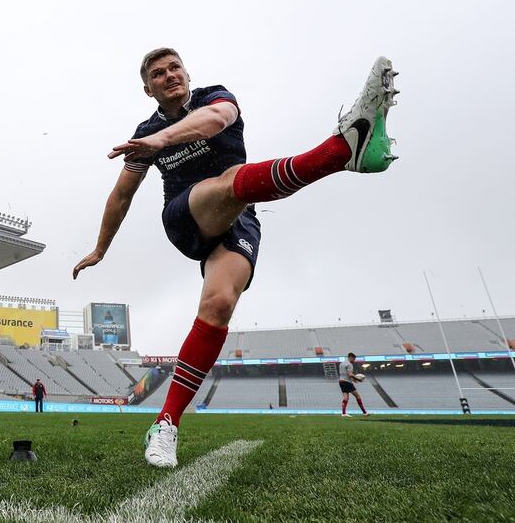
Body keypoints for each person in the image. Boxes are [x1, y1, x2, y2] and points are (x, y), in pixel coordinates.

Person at [72, 48, 398, 468]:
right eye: (158, 73)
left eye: (175, 68)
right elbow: (121, 195)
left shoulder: (215, 97)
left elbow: (217, 120)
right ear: (147, 88)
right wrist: (100, 249)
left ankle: (165, 423)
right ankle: (339, 153)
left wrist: (164, 139)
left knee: (220, 304)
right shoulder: (145, 131)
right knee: (225, 183)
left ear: (187, 73)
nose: (169, 75)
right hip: (186, 218)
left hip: (240, 221)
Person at [339, 352, 369, 417]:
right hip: (347, 382)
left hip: (341, 381)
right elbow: (350, 374)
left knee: (345, 397)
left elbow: (345, 374)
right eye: (354, 359)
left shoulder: (341, 363)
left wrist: (353, 379)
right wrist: (358, 379)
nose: (354, 361)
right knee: (358, 396)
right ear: (351, 357)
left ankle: (343, 413)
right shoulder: (349, 364)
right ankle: (364, 412)